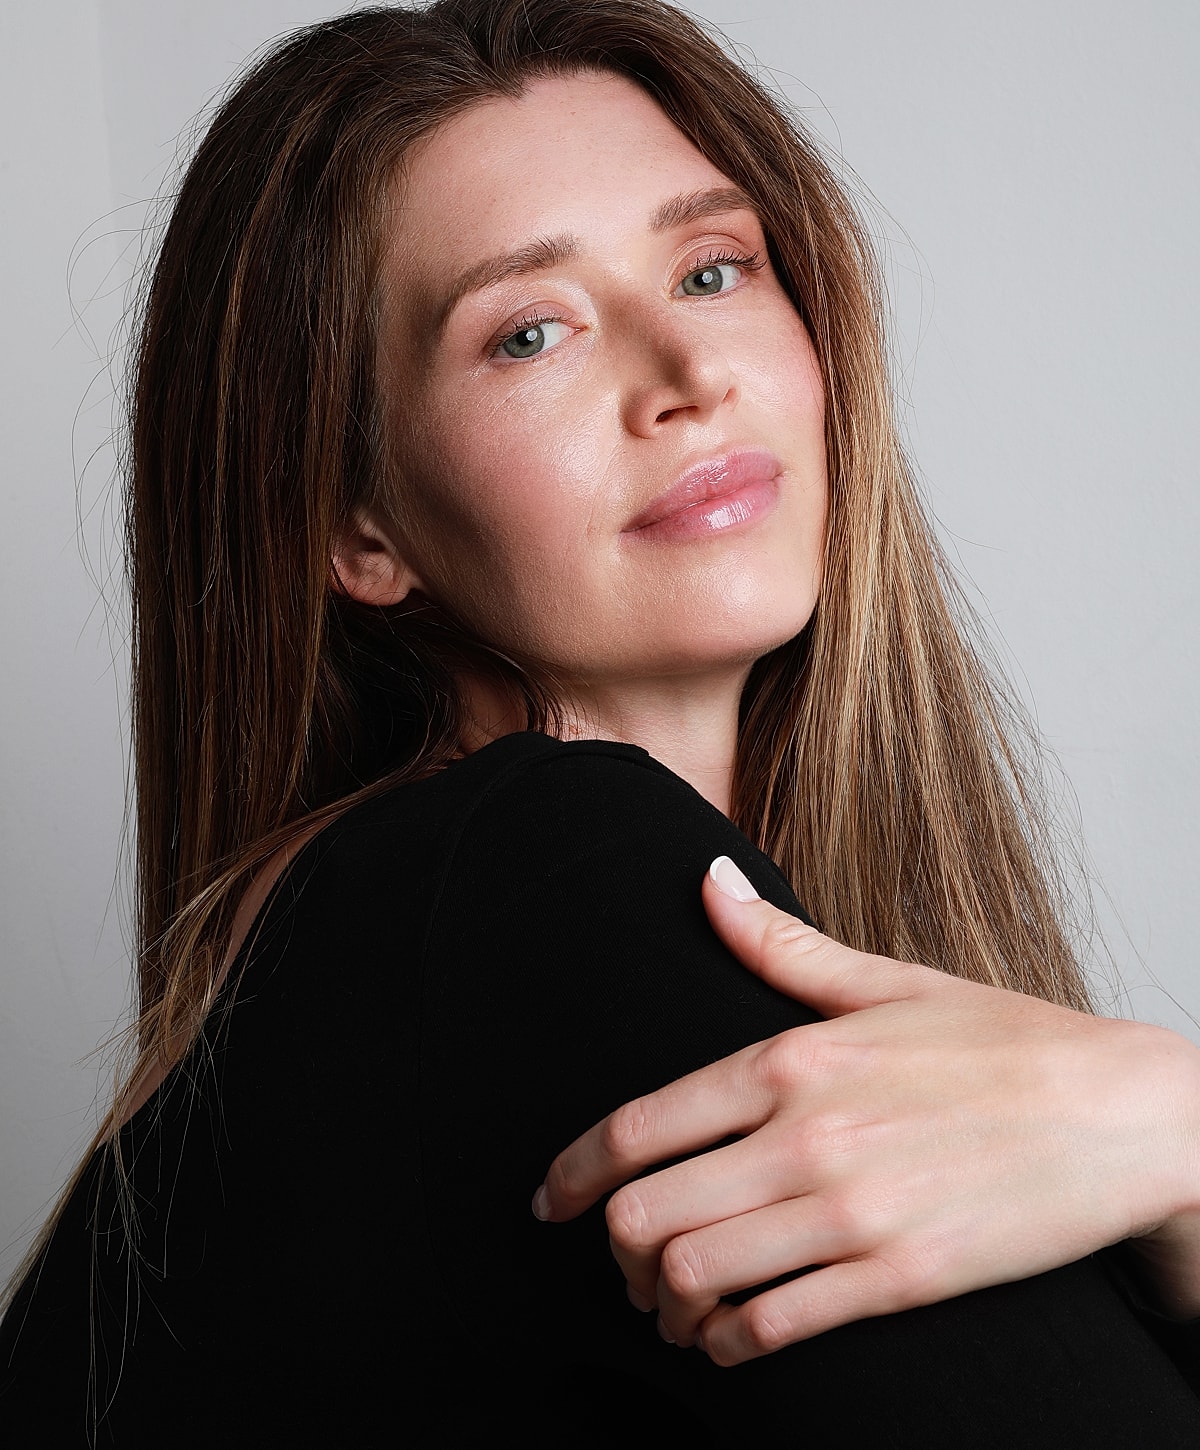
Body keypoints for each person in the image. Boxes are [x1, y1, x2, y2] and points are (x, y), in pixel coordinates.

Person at [2, 0, 1198, 1442]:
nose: (689, 378)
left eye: (710, 268)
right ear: (358, 525)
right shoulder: (529, 877)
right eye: (529, 331)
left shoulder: (475, 917)